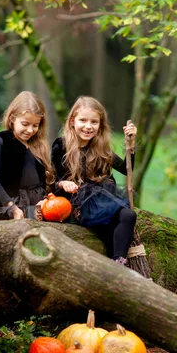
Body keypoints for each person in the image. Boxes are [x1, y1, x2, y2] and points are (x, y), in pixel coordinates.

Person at [51, 96, 137, 265]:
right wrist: (62, 183)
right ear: (72, 121)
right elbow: (51, 179)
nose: (88, 126)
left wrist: (131, 144)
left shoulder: (101, 149)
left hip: (103, 198)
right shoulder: (62, 146)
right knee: (110, 227)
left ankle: (118, 263)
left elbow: (128, 168)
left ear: (100, 125)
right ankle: (114, 261)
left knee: (129, 215)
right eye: (83, 120)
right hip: (79, 202)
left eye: (94, 122)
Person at [0, 91, 53, 221]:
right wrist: (12, 207)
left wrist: (44, 200)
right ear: (12, 119)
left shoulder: (38, 147)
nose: (30, 130)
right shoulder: (3, 141)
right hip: (3, 210)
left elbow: (41, 184)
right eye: (25, 124)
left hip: (31, 211)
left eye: (35, 125)